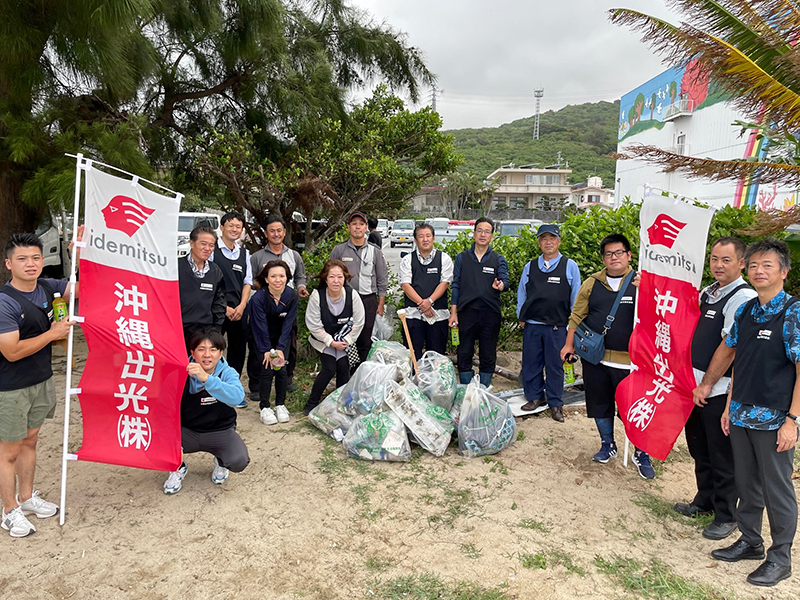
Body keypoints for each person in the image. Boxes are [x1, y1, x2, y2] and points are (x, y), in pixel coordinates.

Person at [696, 239, 800, 588]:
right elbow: (737, 358)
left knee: (777, 489)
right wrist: (728, 407)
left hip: (774, 419)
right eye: (754, 264)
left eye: (767, 265)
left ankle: (780, 557)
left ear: (783, 272)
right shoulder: (747, 311)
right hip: (740, 413)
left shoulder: (793, 313)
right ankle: (751, 541)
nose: (758, 270)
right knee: (747, 483)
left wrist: (792, 421)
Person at [560, 233, 656, 479]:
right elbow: (576, 316)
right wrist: (569, 345)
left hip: (632, 363)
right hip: (597, 359)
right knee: (600, 404)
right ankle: (607, 445)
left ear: (629, 255)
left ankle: (641, 453)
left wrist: (649, 292)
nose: (614, 258)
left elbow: (659, 317)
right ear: (603, 258)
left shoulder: (642, 282)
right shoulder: (592, 283)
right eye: (608, 254)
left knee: (633, 410)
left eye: (619, 253)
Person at [679, 238, 756, 540]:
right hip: (694, 388)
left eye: (726, 260)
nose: (718, 265)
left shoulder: (741, 297)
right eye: (714, 259)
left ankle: (727, 514)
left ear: (741, 263)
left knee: (722, 455)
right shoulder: (709, 293)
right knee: (700, 449)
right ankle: (704, 501)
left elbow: (730, 346)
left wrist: (708, 384)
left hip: (719, 390)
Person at [0, 233, 76, 537]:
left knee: (30, 442)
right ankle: (8, 511)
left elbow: (80, 287)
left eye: (35, 258)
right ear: (9, 264)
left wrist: (78, 253)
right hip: (11, 387)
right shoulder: (5, 303)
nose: (30, 264)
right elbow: (11, 351)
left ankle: (27, 497)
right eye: (22, 259)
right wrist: (53, 332)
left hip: (41, 380)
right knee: (8, 452)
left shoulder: (48, 287)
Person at [163, 329, 249, 495]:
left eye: (213, 349)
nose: (207, 355)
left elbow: (237, 398)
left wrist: (207, 379)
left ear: (221, 353)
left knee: (238, 460)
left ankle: (221, 461)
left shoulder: (227, 372)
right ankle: (178, 467)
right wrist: (168, 439)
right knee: (154, 443)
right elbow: (163, 406)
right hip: (186, 431)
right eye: (201, 349)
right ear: (192, 353)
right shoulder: (178, 372)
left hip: (220, 431)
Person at [516, 224, 581, 422]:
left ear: (559, 241)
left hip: (558, 326)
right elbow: (522, 293)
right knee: (531, 363)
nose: (548, 242)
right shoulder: (530, 266)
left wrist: (573, 326)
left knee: (555, 365)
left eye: (552, 238)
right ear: (539, 243)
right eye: (544, 239)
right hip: (533, 325)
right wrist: (521, 316)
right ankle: (535, 397)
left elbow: (576, 298)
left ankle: (555, 403)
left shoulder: (570, 266)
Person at [248, 215, 308, 396]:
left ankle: (285, 379)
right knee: (258, 346)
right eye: (272, 231)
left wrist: (301, 287)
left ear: (284, 232)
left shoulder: (294, 255)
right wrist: (265, 287)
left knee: (288, 344)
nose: (276, 234)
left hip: (287, 306)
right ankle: (257, 386)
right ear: (266, 234)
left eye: (279, 230)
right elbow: (249, 280)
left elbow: (300, 276)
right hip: (264, 307)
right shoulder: (257, 257)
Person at [449, 217, 509, 388]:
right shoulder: (462, 258)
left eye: (487, 231)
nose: (483, 234)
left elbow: (505, 281)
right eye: (480, 230)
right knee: (464, 352)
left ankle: (483, 391)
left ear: (491, 236)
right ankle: (467, 391)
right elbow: (456, 284)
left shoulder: (498, 259)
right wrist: (453, 312)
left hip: (490, 314)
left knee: (488, 354)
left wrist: (501, 285)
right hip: (466, 313)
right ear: (474, 233)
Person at [303, 260, 365, 415]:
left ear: (345, 278)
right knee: (329, 368)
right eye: (332, 277)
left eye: (340, 277)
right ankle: (311, 403)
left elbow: (359, 322)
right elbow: (313, 325)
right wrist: (330, 342)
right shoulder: (317, 296)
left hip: (344, 340)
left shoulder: (352, 295)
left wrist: (347, 341)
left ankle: (340, 405)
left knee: (344, 367)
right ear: (325, 278)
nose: (336, 281)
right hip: (323, 341)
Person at [330, 212, 387, 363]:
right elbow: (329, 275)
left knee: (365, 337)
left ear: (366, 227)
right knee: (344, 335)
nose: (357, 227)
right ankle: (345, 373)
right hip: (344, 301)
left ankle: (362, 371)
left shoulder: (375, 251)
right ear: (348, 227)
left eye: (361, 224)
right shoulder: (339, 250)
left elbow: (382, 279)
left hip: (368, 300)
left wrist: (380, 304)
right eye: (354, 224)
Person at [248, 261, 298, 426]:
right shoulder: (258, 299)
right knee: (267, 369)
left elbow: (288, 324)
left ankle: (280, 405)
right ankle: (265, 407)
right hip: (261, 337)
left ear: (287, 277)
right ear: (267, 279)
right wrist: (267, 350)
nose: (278, 280)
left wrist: (280, 348)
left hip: (281, 338)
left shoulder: (292, 295)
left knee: (282, 370)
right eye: (273, 276)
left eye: (281, 276)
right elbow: (259, 326)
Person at [399, 223, 453, 359]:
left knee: (436, 356)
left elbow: (445, 283)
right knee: (412, 356)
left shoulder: (444, 259)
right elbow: (405, 285)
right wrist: (423, 305)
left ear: (433, 238)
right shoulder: (407, 260)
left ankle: (434, 381)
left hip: (438, 315)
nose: (425, 239)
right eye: (421, 236)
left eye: (428, 236)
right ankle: (413, 379)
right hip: (413, 315)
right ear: (415, 240)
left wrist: (429, 301)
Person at [210, 211, 252, 376]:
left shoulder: (244, 253)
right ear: (222, 227)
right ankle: (209, 386)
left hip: (239, 310)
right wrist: (224, 307)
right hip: (217, 309)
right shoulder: (212, 250)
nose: (234, 229)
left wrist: (242, 306)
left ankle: (232, 388)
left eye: (238, 227)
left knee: (238, 349)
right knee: (213, 348)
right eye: (231, 225)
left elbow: (247, 282)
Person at [179, 225, 226, 353]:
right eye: (203, 244)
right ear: (192, 243)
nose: (207, 248)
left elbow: (219, 304)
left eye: (211, 245)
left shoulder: (215, 271)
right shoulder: (176, 268)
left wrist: (216, 331)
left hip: (203, 333)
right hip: (178, 331)